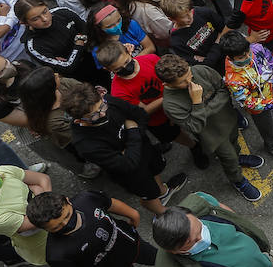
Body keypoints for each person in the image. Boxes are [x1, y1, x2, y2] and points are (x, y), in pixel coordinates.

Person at [153, 54, 265, 204]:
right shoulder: (171, 104)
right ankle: (237, 180)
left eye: (189, 75)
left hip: (229, 120)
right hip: (212, 136)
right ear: (166, 84)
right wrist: (197, 102)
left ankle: (238, 157)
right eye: (182, 82)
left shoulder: (201, 70)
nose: (190, 81)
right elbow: (195, 126)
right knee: (228, 158)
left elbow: (225, 91)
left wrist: (203, 110)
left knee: (235, 144)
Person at [62, 83, 185, 216]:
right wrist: (132, 130)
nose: (103, 114)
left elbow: (140, 115)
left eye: (102, 106)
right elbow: (127, 164)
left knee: (155, 171)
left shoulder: (108, 101)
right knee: (148, 194)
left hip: (145, 150)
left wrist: (129, 148)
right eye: (94, 115)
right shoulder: (85, 144)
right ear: (78, 120)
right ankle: (163, 214)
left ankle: (163, 192)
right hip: (131, 175)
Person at [25, 190, 158, 267]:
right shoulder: (56, 254)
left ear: (68, 201)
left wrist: (132, 213)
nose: (66, 224)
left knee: (155, 256)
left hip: (129, 241)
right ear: (44, 229)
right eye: (57, 227)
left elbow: (110, 203)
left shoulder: (86, 199)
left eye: (67, 216)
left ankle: (167, 263)